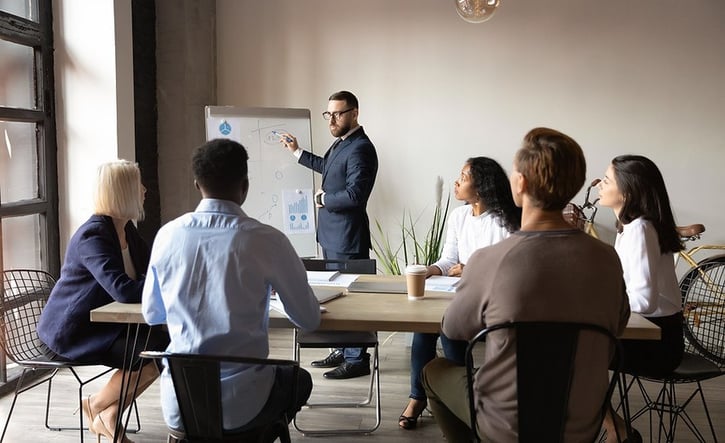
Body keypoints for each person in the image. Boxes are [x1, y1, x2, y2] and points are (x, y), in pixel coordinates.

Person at [421, 127, 631, 442]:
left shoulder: (491, 260)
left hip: (507, 425)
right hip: (580, 424)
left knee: (433, 371)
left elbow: (453, 329)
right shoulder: (607, 259)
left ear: (520, 184)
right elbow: (619, 322)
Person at [142, 138, 321, 433]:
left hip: (182, 405)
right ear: (245, 186)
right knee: (299, 380)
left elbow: (153, 315)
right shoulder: (268, 240)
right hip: (244, 405)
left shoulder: (167, 236)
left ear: (197, 184)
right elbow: (309, 319)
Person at [37, 160, 169, 443]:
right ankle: (96, 405)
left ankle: (107, 413)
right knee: (155, 352)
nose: (145, 190)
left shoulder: (126, 230)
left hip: (107, 326)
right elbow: (124, 290)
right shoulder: (93, 235)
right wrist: (160, 284)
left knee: (166, 348)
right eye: (138, 185)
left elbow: (152, 270)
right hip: (75, 332)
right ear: (123, 192)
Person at [399, 157, 521, 430]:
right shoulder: (459, 216)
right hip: (457, 293)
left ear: (481, 187)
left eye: (463, 177)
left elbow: (509, 269)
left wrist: (471, 269)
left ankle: (454, 401)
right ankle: (419, 397)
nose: (456, 182)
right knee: (424, 325)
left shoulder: (504, 221)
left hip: (490, 300)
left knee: (447, 327)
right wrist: (430, 270)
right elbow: (448, 261)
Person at [279, 90, 378, 380]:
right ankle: (343, 348)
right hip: (333, 236)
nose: (332, 119)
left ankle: (356, 357)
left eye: (338, 113)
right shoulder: (343, 144)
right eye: (329, 114)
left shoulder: (361, 147)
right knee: (337, 295)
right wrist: (298, 152)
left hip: (347, 237)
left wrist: (322, 200)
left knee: (350, 299)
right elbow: (328, 168)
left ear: (355, 113)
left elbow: (355, 195)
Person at [598, 155, 684, 442]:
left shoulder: (640, 230)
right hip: (651, 334)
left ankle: (615, 430)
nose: (600, 184)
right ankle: (616, 429)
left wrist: (603, 302)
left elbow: (644, 301)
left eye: (607, 180)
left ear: (628, 192)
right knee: (574, 353)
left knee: (573, 354)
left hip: (659, 343)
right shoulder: (632, 228)